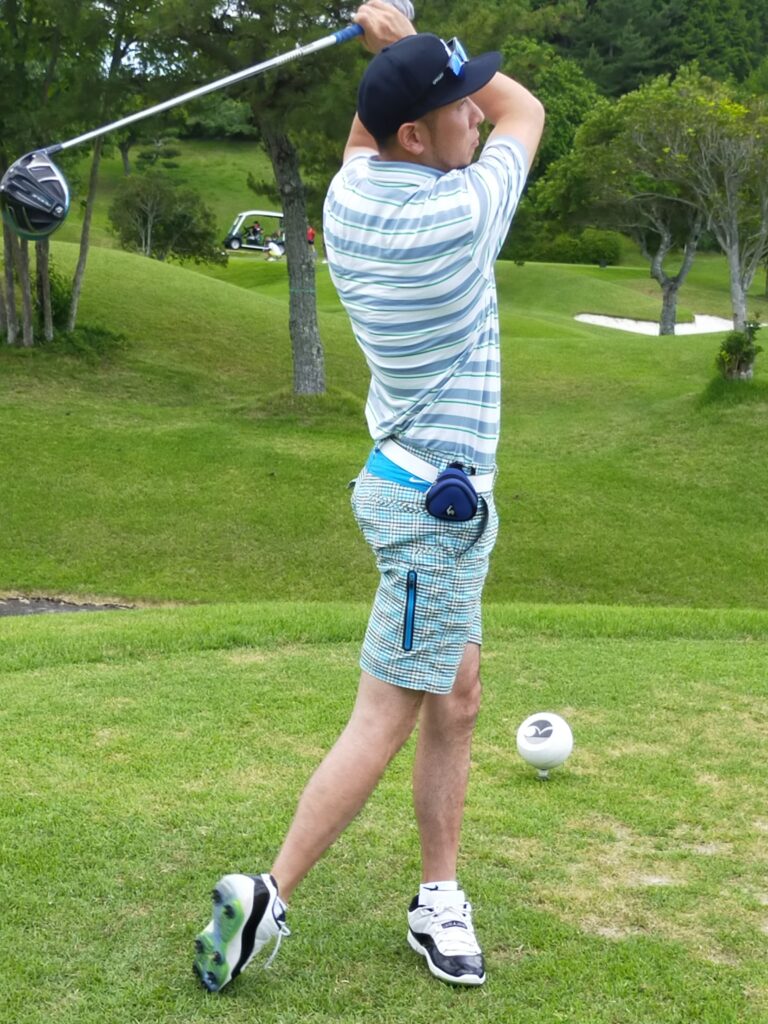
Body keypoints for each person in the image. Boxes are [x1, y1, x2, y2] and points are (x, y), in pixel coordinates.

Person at [193, 0, 544, 994]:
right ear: (414, 137)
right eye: (454, 104)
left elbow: (370, 130)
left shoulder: (352, 195)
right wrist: (408, 45)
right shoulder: (458, 217)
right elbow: (524, 112)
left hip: (409, 485)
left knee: (457, 697)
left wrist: (404, 58)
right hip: (435, 514)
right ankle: (269, 893)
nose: (473, 113)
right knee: (387, 714)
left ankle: (438, 895)